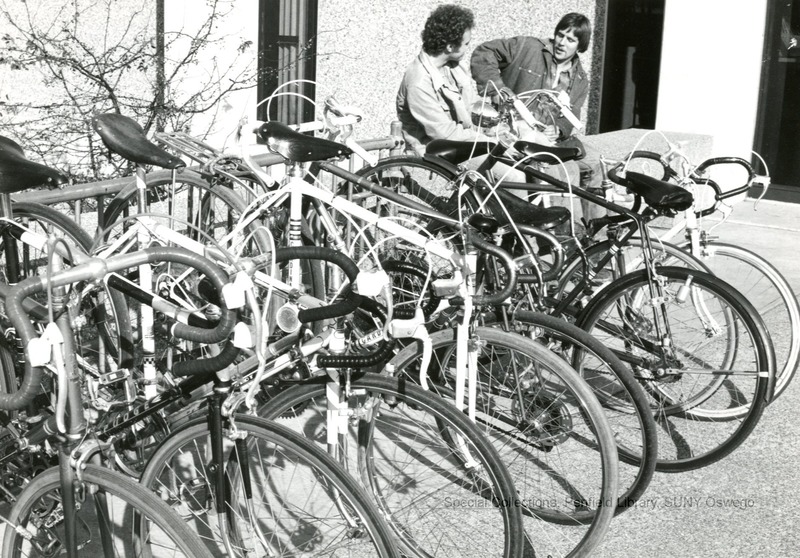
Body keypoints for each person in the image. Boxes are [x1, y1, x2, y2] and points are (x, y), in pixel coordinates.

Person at [470, 12, 612, 225]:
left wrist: (560, 129)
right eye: (560, 35)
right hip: (514, 130)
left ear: (580, 46)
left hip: (550, 137)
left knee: (596, 163)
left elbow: (573, 114)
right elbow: (484, 52)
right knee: (563, 168)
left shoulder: (580, 78)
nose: (562, 43)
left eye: (570, 40)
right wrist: (498, 89)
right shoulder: (528, 47)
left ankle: (597, 236)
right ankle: (560, 237)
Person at [396, 4, 487, 155]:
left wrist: (501, 131)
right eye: (466, 44)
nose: (467, 49)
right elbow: (444, 133)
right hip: (437, 153)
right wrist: (490, 142)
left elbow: (473, 107)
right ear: (450, 47)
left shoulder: (454, 67)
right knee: (513, 174)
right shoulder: (418, 82)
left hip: (466, 142)